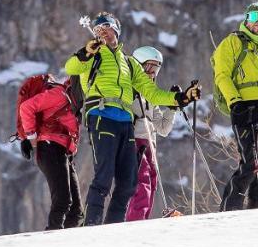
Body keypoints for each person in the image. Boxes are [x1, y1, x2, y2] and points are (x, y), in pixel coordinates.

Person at [65, 13, 200, 226]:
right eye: (99, 28)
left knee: (128, 182)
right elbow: (71, 67)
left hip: (125, 121)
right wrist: (86, 52)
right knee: (104, 176)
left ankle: (114, 227)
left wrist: (181, 99)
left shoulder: (129, 62)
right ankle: (91, 225)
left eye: (107, 26)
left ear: (116, 30)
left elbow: (152, 93)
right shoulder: (92, 55)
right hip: (101, 114)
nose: (103, 31)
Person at [213, 2, 258, 210]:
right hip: (244, 109)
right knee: (250, 163)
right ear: (246, 20)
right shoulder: (233, 42)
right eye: (254, 17)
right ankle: (229, 210)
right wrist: (235, 101)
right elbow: (222, 75)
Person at [17, 75, 82, 229]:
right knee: (63, 200)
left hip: (63, 151)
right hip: (50, 147)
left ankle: (66, 243)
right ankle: (52, 239)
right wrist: (31, 137)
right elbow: (26, 107)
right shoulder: (60, 94)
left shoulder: (75, 102)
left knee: (76, 210)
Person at [124, 46, 181, 221]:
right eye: (148, 67)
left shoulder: (151, 96)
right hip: (134, 141)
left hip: (150, 144)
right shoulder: (128, 88)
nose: (152, 73)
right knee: (142, 185)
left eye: (155, 68)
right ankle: (134, 223)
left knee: (151, 184)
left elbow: (163, 129)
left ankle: (141, 223)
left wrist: (172, 108)